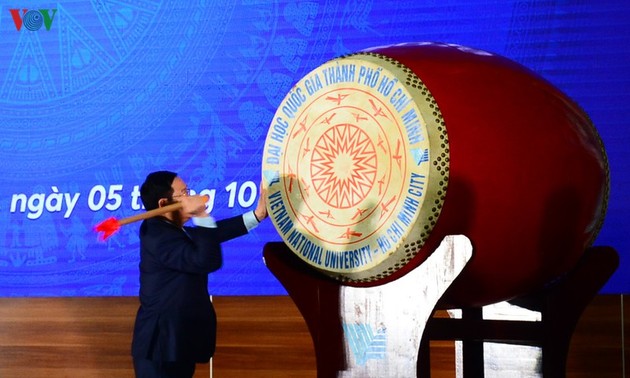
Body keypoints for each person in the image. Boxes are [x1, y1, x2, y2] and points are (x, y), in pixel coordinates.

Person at [131, 170, 268, 377]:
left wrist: (256, 216)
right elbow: (205, 259)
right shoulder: (157, 234)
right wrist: (201, 215)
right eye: (183, 193)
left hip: (178, 344)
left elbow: (213, 233)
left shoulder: (174, 230)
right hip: (160, 348)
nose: (191, 197)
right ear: (163, 204)